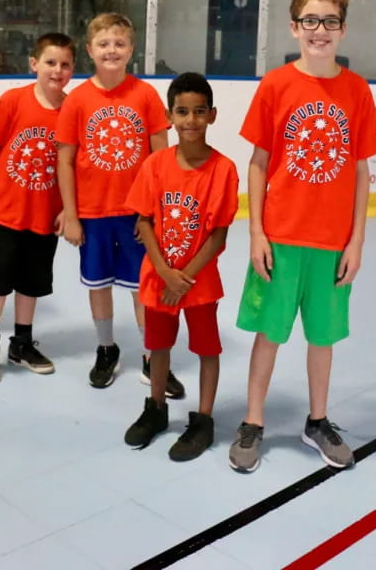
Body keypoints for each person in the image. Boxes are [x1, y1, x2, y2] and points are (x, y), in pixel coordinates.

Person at [228, 0, 376, 473]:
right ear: (295, 27)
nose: (320, 30)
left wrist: (356, 240)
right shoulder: (276, 86)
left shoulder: (356, 91)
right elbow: (257, 163)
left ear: (342, 29)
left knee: (323, 337)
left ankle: (317, 421)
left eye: (330, 21)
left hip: (332, 244)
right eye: (311, 21)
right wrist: (256, 232)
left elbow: (360, 170)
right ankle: (253, 422)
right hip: (281, 239)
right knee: (268, 334)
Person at [56, 13, 184, 396]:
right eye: (104, 44)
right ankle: (106, 348)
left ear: (131, 49)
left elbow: (160, 158)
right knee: (99, 284)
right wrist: (72, 214)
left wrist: (154, 212)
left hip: (135, 215)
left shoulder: (144, 95)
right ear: (90, 50)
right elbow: (64, 159)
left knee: (141, 286)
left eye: (119, 43)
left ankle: (151, 355)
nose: (111, 50)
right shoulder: (77, 99)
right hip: (93, 216)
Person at [123, 73, 239, 461]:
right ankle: (156, 408)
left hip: (200, 284)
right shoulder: (155, 165)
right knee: (157, 347)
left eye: (199, 112)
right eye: (182, 112)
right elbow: (143, 222)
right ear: (170, 116)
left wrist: (184, 278)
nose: (190, 120)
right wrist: (166, 274)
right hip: (160, 279)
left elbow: (219, 234)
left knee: (207, 348)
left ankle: (203, 419)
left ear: (212, 115)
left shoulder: (223, 170)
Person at [0, 33, 75, 386]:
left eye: (64, 64)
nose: (57, 70)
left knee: (32, 281)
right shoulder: (13, 101)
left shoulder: (72, 110)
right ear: (34, 64)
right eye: (50, 62)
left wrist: (69, 209)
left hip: (45, 215)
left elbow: (74, 166)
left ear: (73, 69)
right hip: (3, 211)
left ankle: (22, 342)